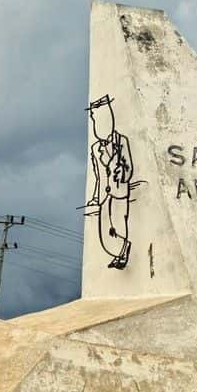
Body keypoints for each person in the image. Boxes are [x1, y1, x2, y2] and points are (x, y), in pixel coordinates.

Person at [84, 94, 134, 269]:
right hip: (104, 195)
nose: (95, 122)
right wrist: (94, 197)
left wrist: (113, 163)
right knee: (106, 230)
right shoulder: (95, 147)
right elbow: (98, 174)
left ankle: (124, 252)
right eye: (93, 119)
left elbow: (127, 168)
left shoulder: (121, 141)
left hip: (119, 191)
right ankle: (120, 252)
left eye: (96, 117)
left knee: (119, 224)